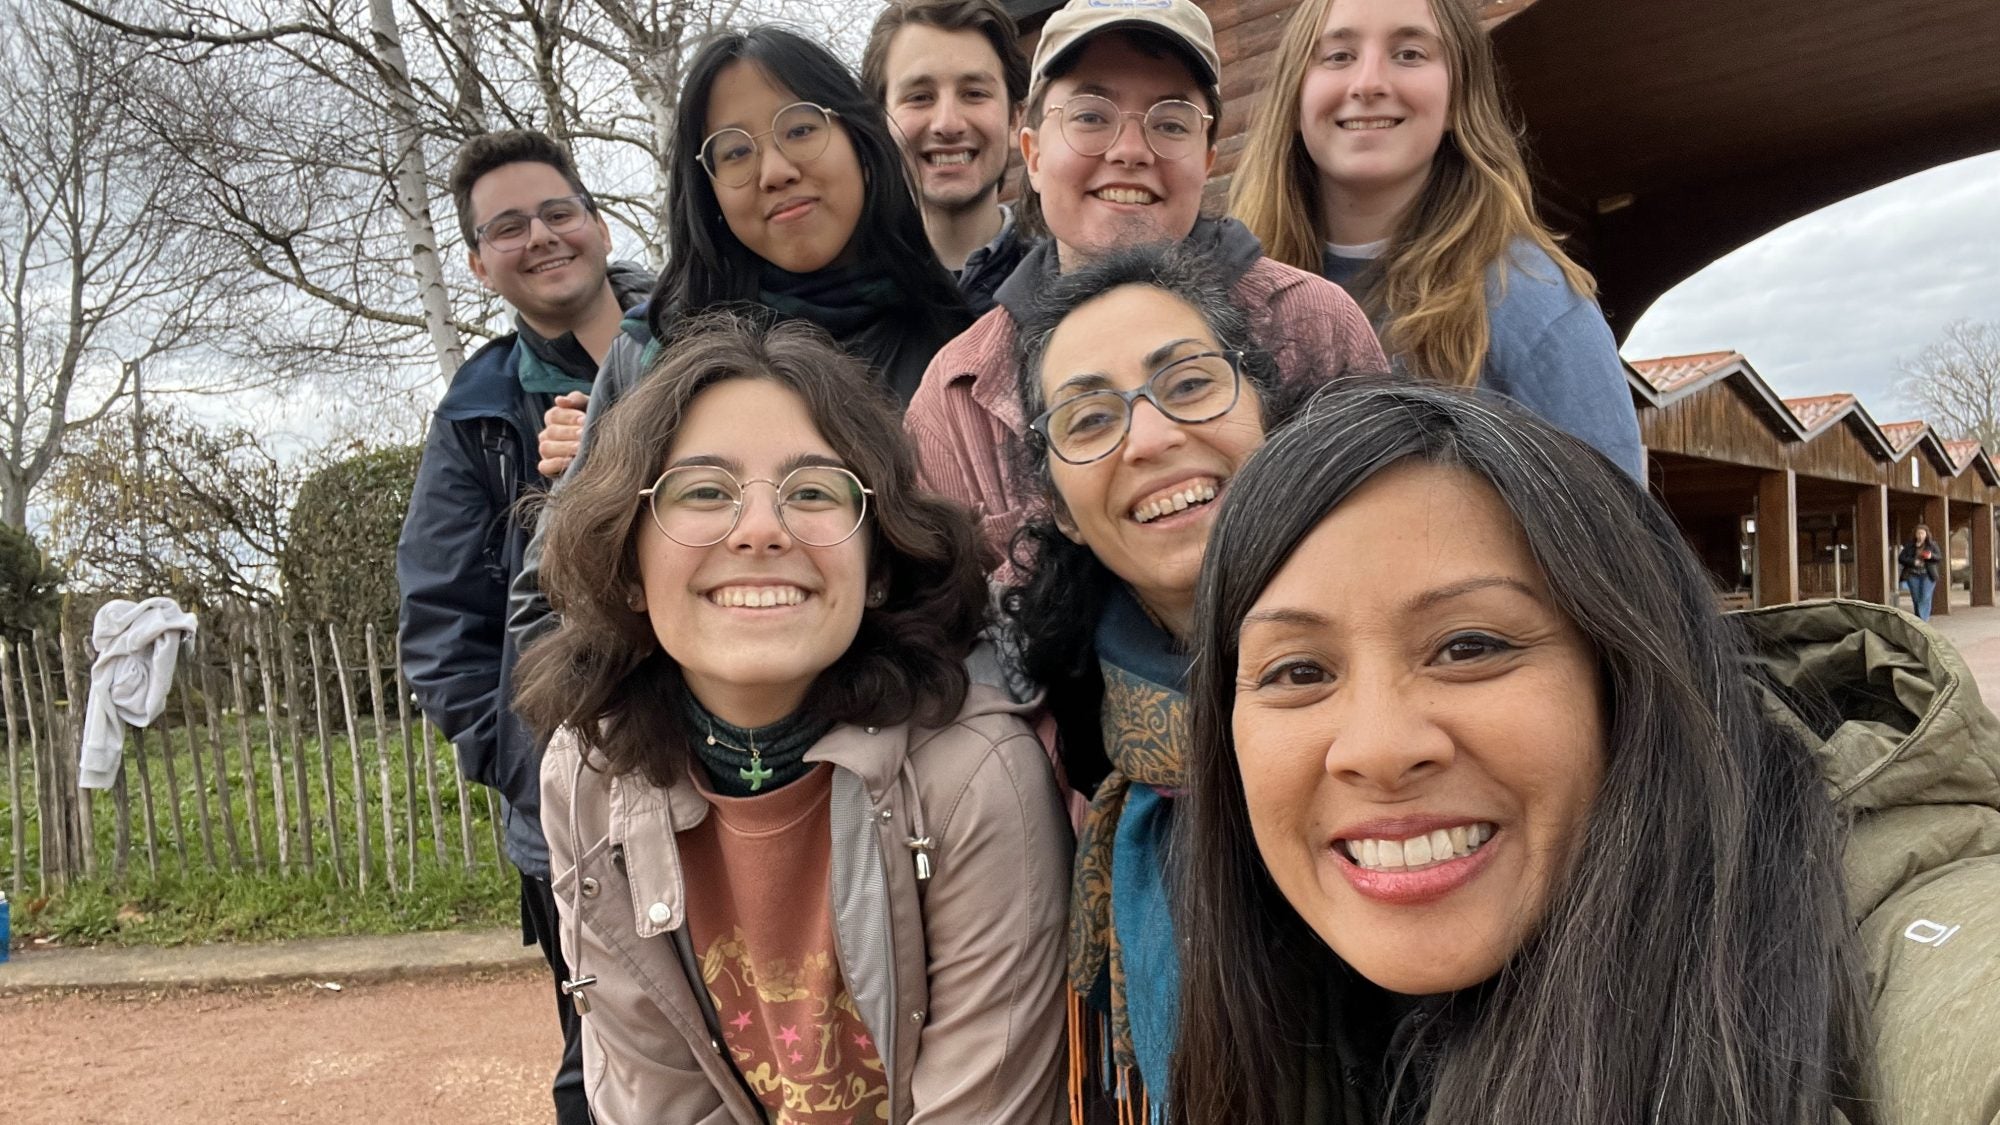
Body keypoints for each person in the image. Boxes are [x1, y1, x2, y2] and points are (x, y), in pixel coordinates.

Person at [1171, 382, 2000, 1124]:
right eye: (1300, 670)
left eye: (1468, 646)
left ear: (1623, 677)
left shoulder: (1892, 936)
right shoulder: (1290, 999)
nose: (1380, 750)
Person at [513, 313, 1071, 1124]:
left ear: (877, 564)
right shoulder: (589, 770)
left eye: (812, 491)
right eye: (704, 492)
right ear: (629, 562)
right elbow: (655, 1096)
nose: (762, 530)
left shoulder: (975, 775)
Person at [515, 25, 974, 650]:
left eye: (802, 129)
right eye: (733, 152)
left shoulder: (961, 344)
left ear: (860, 141)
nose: (776, 170)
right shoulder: (652, 355)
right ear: (707, 192)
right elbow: (552, 590)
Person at [1001, 243, 1309, 1119]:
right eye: (1090, 420)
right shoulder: (1065, 732)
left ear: (1269, 409)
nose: (1154, 437)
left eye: (1188, 384)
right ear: (1058, 504)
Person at [903, 0, 1385, 556]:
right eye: (1090, 116)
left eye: (1171, 122)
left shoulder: (1316, 321)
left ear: (1205, 161)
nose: (1130, 150)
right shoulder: (956, 402)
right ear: (1032, 154)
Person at [396, 127, 652, 1125]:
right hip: (574, 813)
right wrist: (532, 771)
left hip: (737, 765)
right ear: (476, 262)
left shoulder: (703, 333)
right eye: (507, 228)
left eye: (556, 212)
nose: (540, 237)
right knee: (603, 1061)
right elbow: (439, 623)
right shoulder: (477, 411)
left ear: (594, 220)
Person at [1229, 0, 1644, 477]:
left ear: (1456, 99)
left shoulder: (1531, 301)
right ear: (1295, 95)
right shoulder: (1234, 293)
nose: (1368, 84)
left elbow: (1616, 535)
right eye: (1338, 56)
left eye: (1408, 54)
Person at [863, 0, 1031, 313]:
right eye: (920, 97)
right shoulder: (840, 309)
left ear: (1015, 120)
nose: (947, 124)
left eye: (974, 93)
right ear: (880, 123)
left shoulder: (1065, 288)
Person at [1898, 523, 1942, 620]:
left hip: (1928, 575)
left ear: (1926, 534)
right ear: (1915, 534)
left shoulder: (1932, 545)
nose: (1920, 536)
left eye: (1922, 533)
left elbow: (1939, 557)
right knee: (1916, 598)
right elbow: (1901, 558)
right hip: (1912, 575)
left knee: (1925, 596)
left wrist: (1931, 556)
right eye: (1918, 533)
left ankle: (1923, 621)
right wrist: (1913, 562)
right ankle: (1919, 619)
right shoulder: (1910, 545)